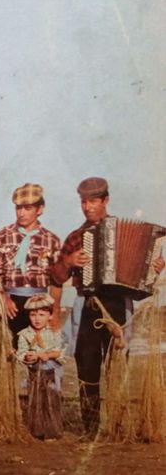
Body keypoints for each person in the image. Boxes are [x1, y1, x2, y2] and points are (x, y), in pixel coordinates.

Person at [50, 177, 164, 437]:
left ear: (105, 200)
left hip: (118, 304)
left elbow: (143, 284)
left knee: (117, 365)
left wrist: (155, 269)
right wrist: (68, 261)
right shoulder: (76, 237)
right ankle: (90, 428)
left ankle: (116, 423)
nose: (87, 207)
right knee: (86, 363)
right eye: (83, 202)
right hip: (88, 302)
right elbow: (56, 277)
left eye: (93, 201)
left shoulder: (130, 231)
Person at [0, 183, 62, 343]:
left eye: (27, 208)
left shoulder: (51, 240)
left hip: (41, 302)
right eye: (18, 208)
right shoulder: (1, 236)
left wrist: (55, 311)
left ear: (40, 209)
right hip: (11, 302)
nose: (21, 213)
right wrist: (4, 298)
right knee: (10, 352)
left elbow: (56, 281)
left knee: (40, 354)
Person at [15, 294, 65, 440]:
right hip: (34, 371)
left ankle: (52, 431)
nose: (37, 319)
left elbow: (60, 352)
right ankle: (37, 430)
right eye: (33, 315)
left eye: (42, 315)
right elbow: (21, 352)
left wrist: (46, 355)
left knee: (51, 399)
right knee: (35, 399)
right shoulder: (24, 334)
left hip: (52, 371)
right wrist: (26, 357)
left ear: (50, 316)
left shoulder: (55, 333)